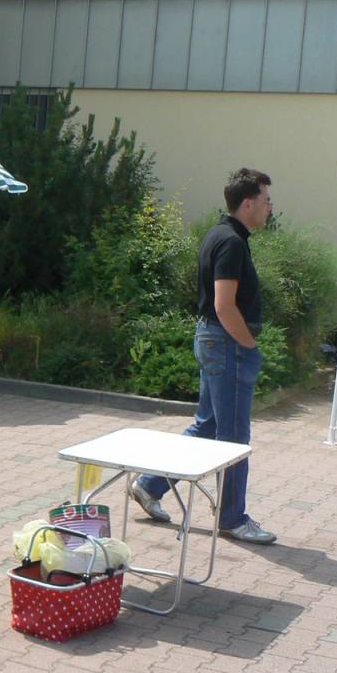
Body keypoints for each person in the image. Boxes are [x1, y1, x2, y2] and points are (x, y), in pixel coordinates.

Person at [131, 168, 277, 545]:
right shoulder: (230, 242)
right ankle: (232, 518)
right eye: (266, 201)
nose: (270, 208)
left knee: (208, 426)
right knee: (233, 438)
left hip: (215, 341)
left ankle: (149, 486)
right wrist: (249, 346)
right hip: (226, 344)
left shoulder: (223, 234)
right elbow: (224, 305)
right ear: (247, 203)